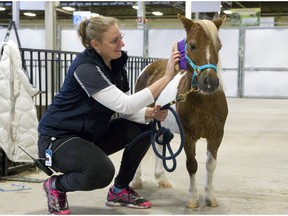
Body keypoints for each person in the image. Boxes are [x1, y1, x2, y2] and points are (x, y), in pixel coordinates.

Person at [37, 15, 180, 215]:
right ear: (95, 44)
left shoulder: (115, 65)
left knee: (144, 128)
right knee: (101, 172)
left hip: (90, 134)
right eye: (114, 41)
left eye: (120, 37)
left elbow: (122, 107)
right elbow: (125, 104)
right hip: (58, 140)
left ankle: (120, 190)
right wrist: (167, 77)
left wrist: (147, 113)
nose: (121, 43)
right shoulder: (86, 68)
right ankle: (56, 185)